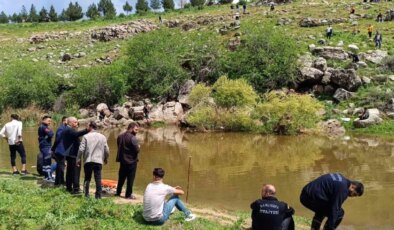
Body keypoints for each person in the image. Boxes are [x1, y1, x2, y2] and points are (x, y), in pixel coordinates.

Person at [300, 173, 364, 230]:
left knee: (323, 210)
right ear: (353, 187)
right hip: (309, 198)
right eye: (354, 194)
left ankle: (314, 228)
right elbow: (335, 209)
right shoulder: (343, 189)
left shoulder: (342, 179)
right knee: (339, 213)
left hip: (306, 194)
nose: (353, 196)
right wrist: (331, 227)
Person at [77, 121, 109, 199]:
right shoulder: (102, 137)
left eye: (88, 126)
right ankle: (98, 196)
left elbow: (81, 149)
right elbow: (107, 149)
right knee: (98, 178)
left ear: (91, 127)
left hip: (88, 160)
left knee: (87, 177)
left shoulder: (86, 136)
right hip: (98, 160)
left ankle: (86, 194)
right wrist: (105, 158)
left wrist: (78, 159)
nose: (87, 128)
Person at [62, 117, 89, 194]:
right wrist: (87, 130)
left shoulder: (67, 129)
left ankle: (69, 187)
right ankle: (76, 188)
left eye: (77, 122)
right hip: (73, 154)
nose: (77, 124)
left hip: (70, 154)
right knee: (75, 171)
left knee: (70, 171)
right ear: (70, 123)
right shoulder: (69, 129)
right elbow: (77, 134)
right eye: (75, 122)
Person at [116, 123, 140, 199]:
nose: (137, 131)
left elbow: (119, 146)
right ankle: (128, 195)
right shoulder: (133, 138)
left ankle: (118, 192)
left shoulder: (120, 136)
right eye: (136, 129)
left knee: (121, 178)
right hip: (131, 161)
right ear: (131, 128)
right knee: (130, 179)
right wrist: (139, 147)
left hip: (122, 160)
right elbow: (137, 150)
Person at [51, 116, 68, 186]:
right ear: (64, 121)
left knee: (61, 165)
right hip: (60, 150)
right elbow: (57, 140)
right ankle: (59, 182)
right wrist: (53, 148)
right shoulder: (61, 128)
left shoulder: (66, 128)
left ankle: (59, 181)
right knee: (60, 166)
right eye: (67, 120)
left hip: (64, 150)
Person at [38, 115, 54, 181]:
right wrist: (50, 132)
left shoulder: (42, 127)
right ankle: (48, 177)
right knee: (47, 161)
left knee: (45, 161)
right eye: (48, 121)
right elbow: (51, 134)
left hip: (44, 146)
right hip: (46, 146)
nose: (49, 122)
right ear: (43, 120)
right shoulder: (44, 127)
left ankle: (46, 176)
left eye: (50, 121)